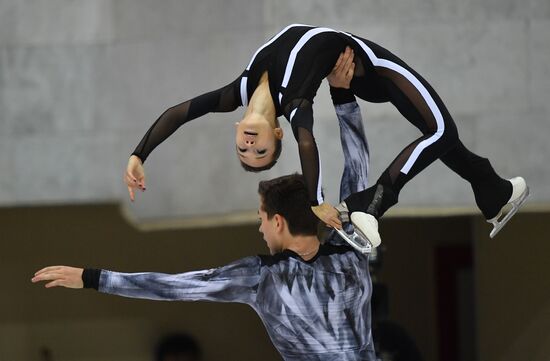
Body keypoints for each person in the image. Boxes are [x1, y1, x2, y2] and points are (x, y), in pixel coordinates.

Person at [124, 24, 528, 246]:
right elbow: (307, 142)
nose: (249, 145)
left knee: (439, 136)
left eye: (244, 149)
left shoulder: (239, 91)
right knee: (441, 129)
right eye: (260, 151)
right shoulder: (295, 104)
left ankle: (493, 193)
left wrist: (139, 155)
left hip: (349, 71)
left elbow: (179, 114)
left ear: (237, 129)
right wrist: (317, 201)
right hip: (372, 67)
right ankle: (371, 203)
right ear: (277, 133)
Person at [32, 174, 377, 361]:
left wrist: (92, 278)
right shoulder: (350, 251)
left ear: (278, 221)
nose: (259, 228)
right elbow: (357, 171)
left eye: (260, 219)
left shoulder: (262, 277)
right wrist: (344, 96)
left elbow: (177, 287)